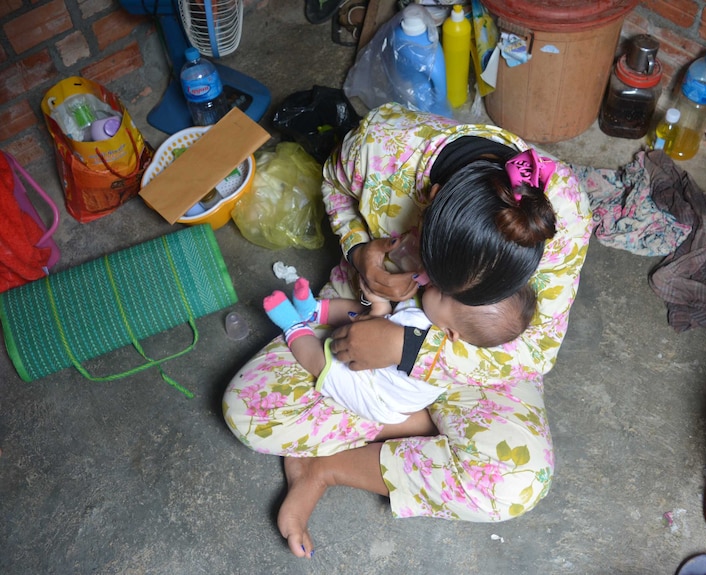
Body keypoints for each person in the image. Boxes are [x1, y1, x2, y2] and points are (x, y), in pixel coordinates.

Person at [222, 102, 596, 559]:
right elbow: (335, 187)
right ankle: (417, 426)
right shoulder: (380, 145)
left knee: (512, 482)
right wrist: (361, 252)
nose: (426, 287)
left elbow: (536, 351)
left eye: (466, 292)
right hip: (368, 304)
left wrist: (410, 348)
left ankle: (328, 467)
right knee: (247, 411)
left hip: (472, 356)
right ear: (430, 199)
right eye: (430, 273)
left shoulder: (564, 213)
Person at [263, 276, 538, 424]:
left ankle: (293, 326)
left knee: (326, 365)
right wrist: (379, 307)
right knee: (360, 312)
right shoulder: (435, 316)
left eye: (443, 293)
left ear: (451, 332)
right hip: (382, 349)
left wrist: (380, 311)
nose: (438, 284)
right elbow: (379, 325)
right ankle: (313, 311)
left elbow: (378, 333)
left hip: (379, 398)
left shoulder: (429, 340)